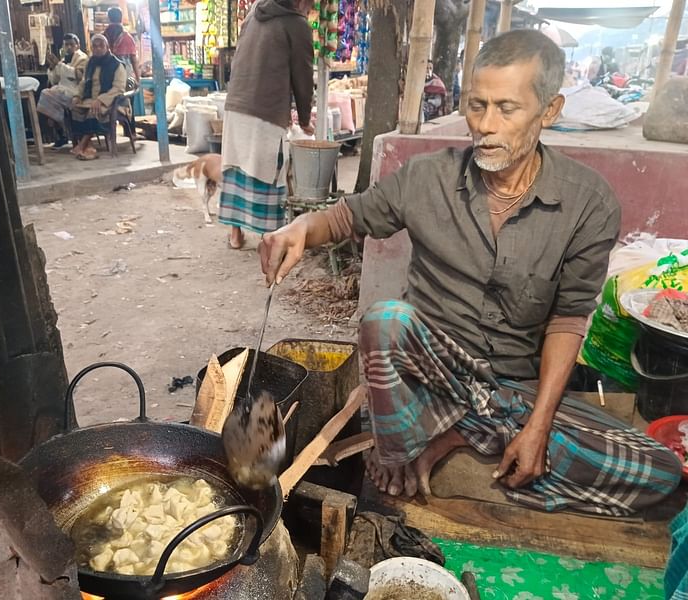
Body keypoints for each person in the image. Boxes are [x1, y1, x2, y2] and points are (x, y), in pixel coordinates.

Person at [258, 29, 682, 515]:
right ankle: (432, 449)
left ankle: (453, 443)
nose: (485, 124)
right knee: (386, 321)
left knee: (657, 473)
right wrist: (298, 229)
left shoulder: (588, 202)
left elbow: (568, 320)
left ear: (550, 111)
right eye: (476, 105)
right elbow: (344, 217)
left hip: (511, 394)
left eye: (507, 108)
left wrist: (538, 427)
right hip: (431, 380)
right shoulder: (427, 178)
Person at [218, 0, 315, 250]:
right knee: (270, 171)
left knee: (237, 167)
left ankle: (235, 234)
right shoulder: (297, 24)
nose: (310, 9)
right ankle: (270, 238)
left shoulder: (255, 12)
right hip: (265, 109)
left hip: (236, 104)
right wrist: (304, 119)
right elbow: (303, 76)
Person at [70, 34, 128, 161]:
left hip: (112, 102)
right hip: (90, 99)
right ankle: (88, 147)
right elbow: (84, 82)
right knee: (75, 110)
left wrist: (101, 99)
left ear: (107, 47)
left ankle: (82, 145)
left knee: (93, 111)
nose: (98, 49)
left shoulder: (117, 64)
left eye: (101, 46)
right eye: (95, 46)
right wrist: (77, 96)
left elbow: (118, 88)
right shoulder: (90, 63)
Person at [37, 33, 88, 148]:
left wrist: (59, 65)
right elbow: (55, 80)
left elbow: (79, 75)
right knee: (47, 98)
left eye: (71, 44)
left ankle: (61, 131)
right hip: (62, 90)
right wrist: (52, 68)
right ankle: (61, 134)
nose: (69, 47)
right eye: (66, 45)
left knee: (45, 95)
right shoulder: (64, 59)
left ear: (78, 45)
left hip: (76, 92)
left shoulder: (83, 58)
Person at [104, 6, 140, 83]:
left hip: (107, 74)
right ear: (121, 18)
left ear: (109, 18)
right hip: (125, 75)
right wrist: (138, 78)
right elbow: (133, 60)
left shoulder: (102, 37)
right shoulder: (127, 37)